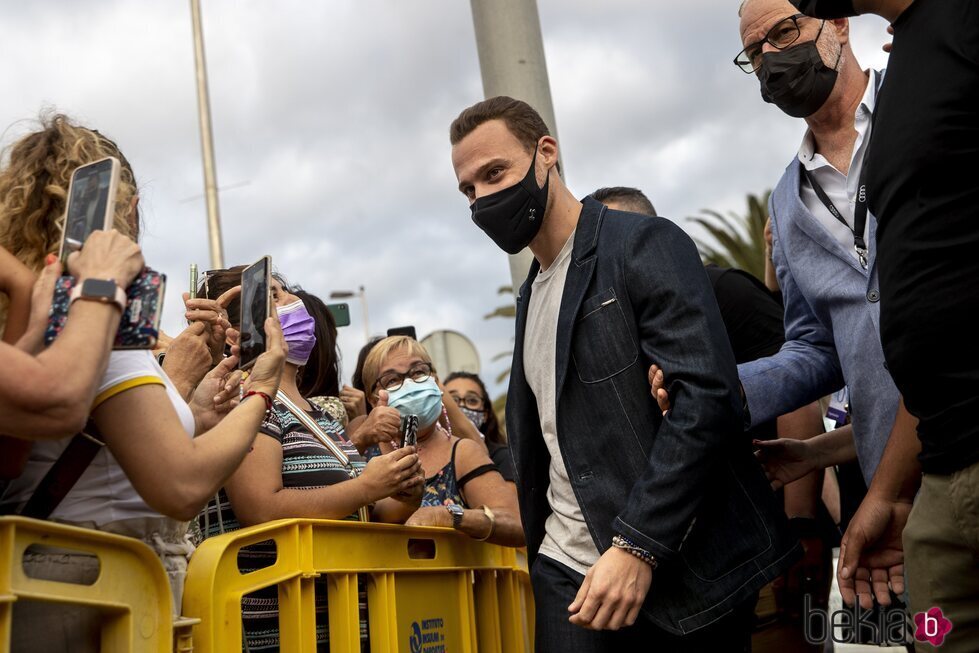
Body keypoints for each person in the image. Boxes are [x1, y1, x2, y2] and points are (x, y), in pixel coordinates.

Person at [450, 96, 797, 651]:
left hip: (680, 572)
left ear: (546, 154)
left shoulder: (641, 245)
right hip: (566, 573)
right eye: (468, 190)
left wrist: (638, 545)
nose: (483, 198)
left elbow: (705, 399)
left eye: (495, 173)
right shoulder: (528, 298)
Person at [0, 115, 287, 653]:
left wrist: (194, 410)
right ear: (128, 209)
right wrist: (263, 387)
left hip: (74, 579)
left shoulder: (40, 305)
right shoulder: (91, 312)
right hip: (89, 590)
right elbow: (179, 485)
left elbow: (115, 437)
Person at [791, 0, 979, 648]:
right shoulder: (786, 203)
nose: (769, 60)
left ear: (837, 32)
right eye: (752, 52)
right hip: (924, 482)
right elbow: (819, 344)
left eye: (783, 33)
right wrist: (732, 389)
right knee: (933, 636)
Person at [596, 186, 831, 629]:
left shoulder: (719, 291)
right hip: (676, 556)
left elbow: (798, 386)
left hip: (760, 542)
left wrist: (803, 525)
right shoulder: (610, 326)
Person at [199, 275, 424, 652]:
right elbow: (258, 506)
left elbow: (360, 511)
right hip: (280, 629)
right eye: (274, 295)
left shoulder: (319, 414)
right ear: (242, 331)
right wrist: (366, 486)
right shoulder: (247, 401)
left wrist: (402, 492)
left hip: (341, 625)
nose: (293, 301)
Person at [360, 336, 524, 547]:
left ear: (436, 383)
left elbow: (516, 524)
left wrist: (450, 516)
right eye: (392, 380)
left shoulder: (463, 452)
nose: (409, 383)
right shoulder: (361, 447)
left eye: (418, 372)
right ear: (374, 399)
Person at [444, 371, 515, 483]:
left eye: (472, 400)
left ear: (485, 415)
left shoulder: (504, 458)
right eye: (453, 400)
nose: (461, 406)